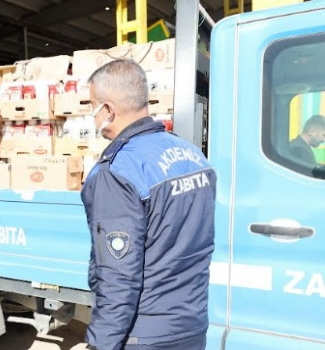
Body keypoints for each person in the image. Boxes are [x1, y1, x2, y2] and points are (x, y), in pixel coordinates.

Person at [81, 60, 217, 350]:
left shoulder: (118, 171)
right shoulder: (192, 155)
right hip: (192, 326)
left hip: (145, 334)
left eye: (92, 106)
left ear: (108, 109)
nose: (91, 115)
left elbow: (118, 277)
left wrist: (100, 344)